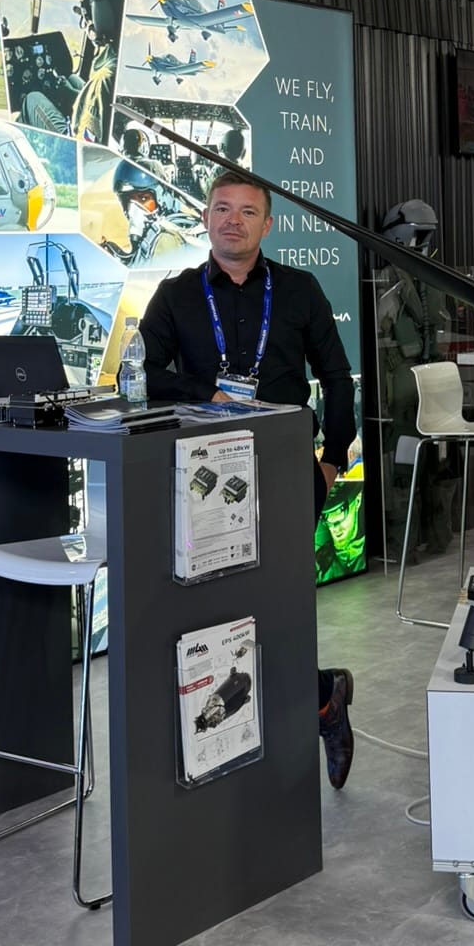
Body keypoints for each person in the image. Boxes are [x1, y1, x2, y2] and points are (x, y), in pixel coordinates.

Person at [139, 170, 360, 786]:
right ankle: (317, 698)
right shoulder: (176, 294)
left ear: (268, 224)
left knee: (279, 603)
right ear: (205, 218)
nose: (232, 220)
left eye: (246, 211)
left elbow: (337, 375)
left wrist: (332, 458)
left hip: (289, 468)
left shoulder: (299, 289)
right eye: (221, 209)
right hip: (206, 476)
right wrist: (205, 392)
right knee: (221, 607)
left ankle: (314, 706)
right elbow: (145, 372)